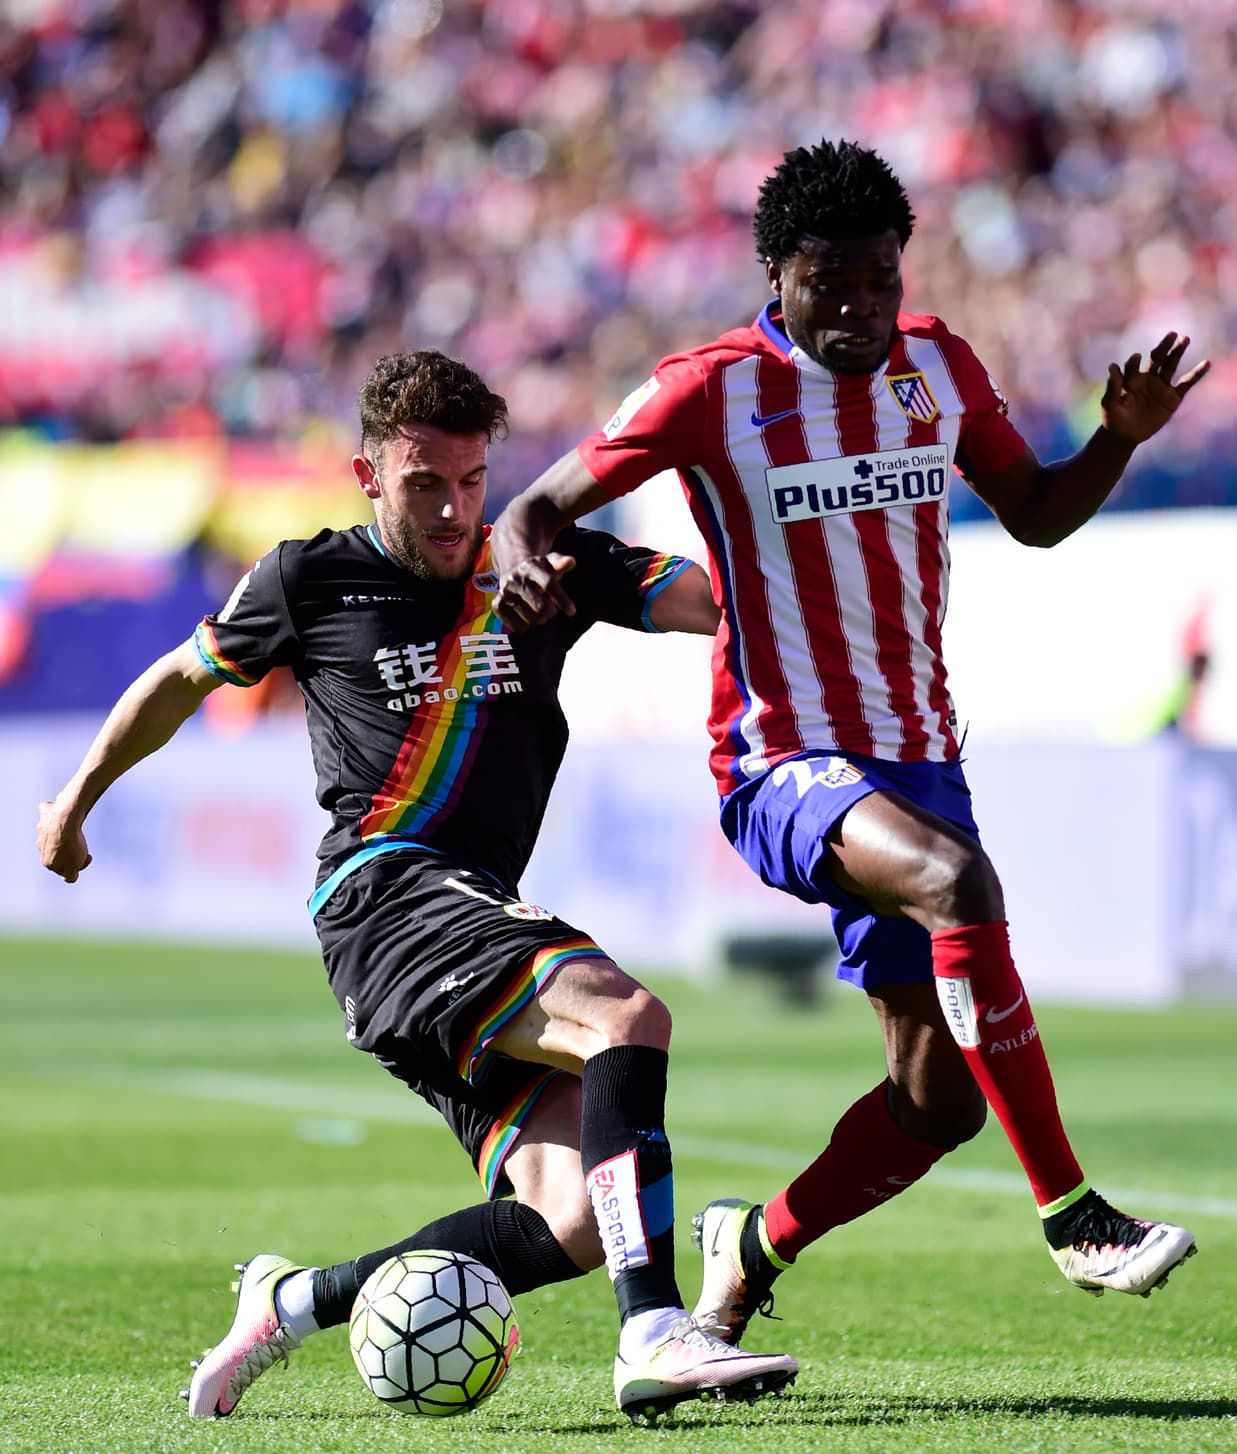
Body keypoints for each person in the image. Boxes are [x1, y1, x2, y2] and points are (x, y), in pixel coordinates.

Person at [490, 139, 1211, 1345]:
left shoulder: (935, 365)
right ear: (775, 276)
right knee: (956, 881)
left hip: (916, 755)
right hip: (779, 757)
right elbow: (532, 508)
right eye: (830, 283)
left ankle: (752, 1244)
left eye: (880, 280)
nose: (860, 308)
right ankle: (1072, 1212)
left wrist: (1115, 438)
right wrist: (521, 565)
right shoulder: (706, 388)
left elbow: (1034, 516)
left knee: (935, 1103)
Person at [35, 349, 798, 1424]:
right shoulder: (307, 578)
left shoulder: (543, 561)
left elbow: (713, 603)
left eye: (472, 480)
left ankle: (294, 1301)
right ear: (368, 475)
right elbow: (178, 678)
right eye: (423, 482)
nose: (452, 509)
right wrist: (76, 797)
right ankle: (655, 1331)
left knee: (575, 1217)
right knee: (623, 1016)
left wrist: (801, 573)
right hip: (384, 894)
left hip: (463, 910)